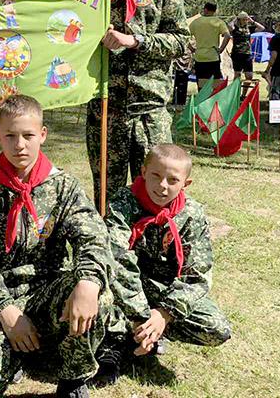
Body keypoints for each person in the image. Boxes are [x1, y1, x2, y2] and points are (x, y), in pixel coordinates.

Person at [0, 95, 112, 398]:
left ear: (42, 134)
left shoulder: (63, 187)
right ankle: (17, 354)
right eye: (11, 136)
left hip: (47, 295)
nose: (20, 145)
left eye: (28, 135)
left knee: (97, 292)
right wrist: (4, 308)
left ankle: (72, 378)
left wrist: (88, 283)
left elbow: (93, 238)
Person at [93, 144, 230, 386]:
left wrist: (164, 314)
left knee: (216, 327)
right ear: (143, 172)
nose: (162, 185)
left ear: (185, 184)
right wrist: (139, 315)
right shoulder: (124, 202)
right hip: (126, 289)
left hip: (163, 290)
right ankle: (114, 343)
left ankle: (149, 334)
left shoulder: (192, 214)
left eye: (172, 180)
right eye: (156, 176)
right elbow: (118, 260)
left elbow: (196, 276)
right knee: (97, 295)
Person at [85, 0, 190, 204]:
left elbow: (181, 41)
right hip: (105, 108)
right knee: (106, 196)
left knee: (158, 194)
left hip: (149, 109)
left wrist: (135, 41)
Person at [189, 2, 231, 89]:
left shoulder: (195, 22)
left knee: (201, 83)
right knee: (215, 83)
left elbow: (184, 36)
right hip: (213, 56)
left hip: (199, 57)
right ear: (215, 11)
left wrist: (191, 48)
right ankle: (213, 97)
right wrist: (221, 49)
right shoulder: (219, 22)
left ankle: (201, 96)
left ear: (205, 9)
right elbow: (227, 35)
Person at [228, 11, 264, 83]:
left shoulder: (249, 28)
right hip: (237, 53)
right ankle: (236, 90)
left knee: (249, 76)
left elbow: (262, 28)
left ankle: (244, 91)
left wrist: (252, 21)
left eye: (246, 19)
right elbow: (230, 27)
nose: (245, 21)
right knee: (237, 75)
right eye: (243, 19)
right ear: (239, 20)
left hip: (247, 54)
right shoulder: (235, 28)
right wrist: (235, 19)